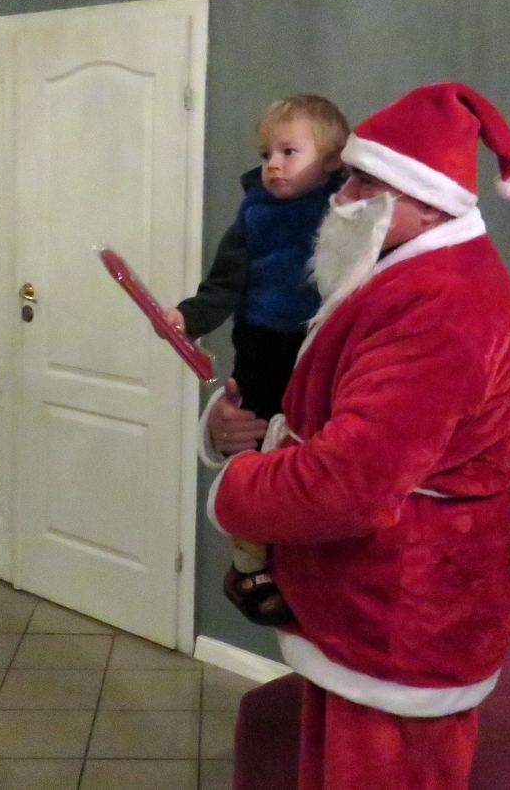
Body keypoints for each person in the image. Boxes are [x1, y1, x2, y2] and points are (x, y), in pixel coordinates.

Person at [203, 82, 510, 790]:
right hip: (356, 609)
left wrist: (236, 487)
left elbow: (349, 483)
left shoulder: (444, 304)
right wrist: (234, 424)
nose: (341, 197)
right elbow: (327, 403)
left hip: (403, 622)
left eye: (362, 182)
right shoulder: (394, 268)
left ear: (427, 199)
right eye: (347, 176)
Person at [165, 94, 350, 626]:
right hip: (261, 348)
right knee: (252, 456)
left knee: (306, 451)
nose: (273, 165)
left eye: (290, 152)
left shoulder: (349, 211)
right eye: (267, 153)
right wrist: (187, 318)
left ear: (332, 160)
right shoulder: (254, 215)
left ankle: (304, 561)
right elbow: (223, 285)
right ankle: (249, 563)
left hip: (320, 350)